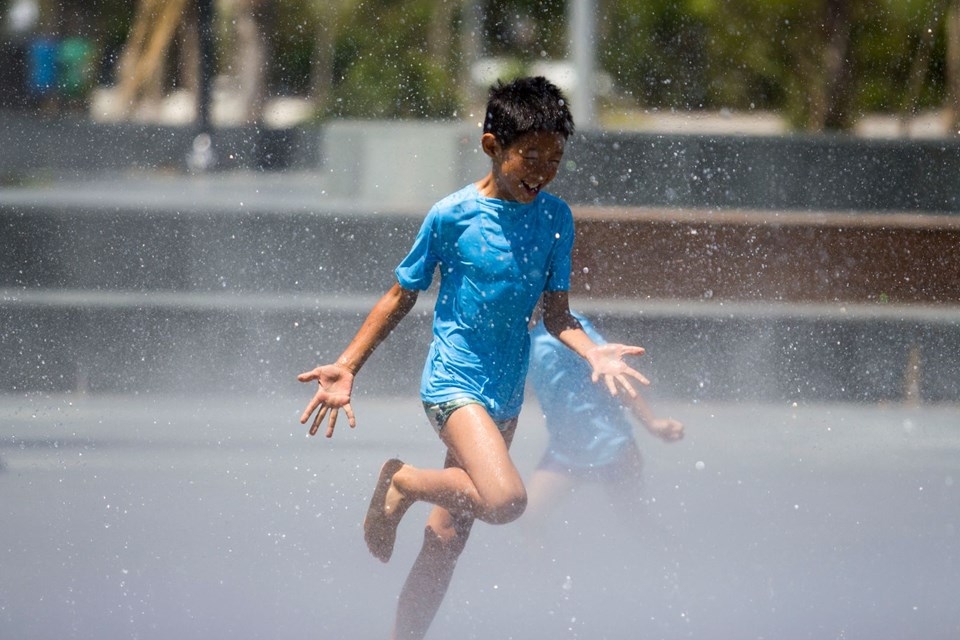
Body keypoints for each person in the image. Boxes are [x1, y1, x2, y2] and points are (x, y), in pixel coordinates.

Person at [297, 76, 650, 640]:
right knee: (506, 501)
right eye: (529, 156)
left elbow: (557, 315)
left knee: (445, 544)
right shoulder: (452, 215)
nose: (542, 170)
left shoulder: (557, 218)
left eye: (555, 157)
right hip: (452, 383)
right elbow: (400, 293)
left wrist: (594, 353)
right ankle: (404, 480)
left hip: (504, 395)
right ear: (492, 146)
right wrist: (349, 364)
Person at [524, 310, 684, 542]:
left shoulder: (566, 327)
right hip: (564, 450)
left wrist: (652, 422)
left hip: (611, 445)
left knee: (635, 522)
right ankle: (547, 577)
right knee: (530, 518)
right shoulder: (518, 335)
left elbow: (614, 374)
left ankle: (674, 565)